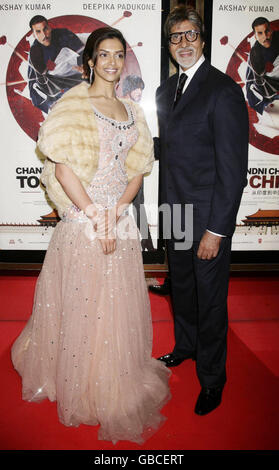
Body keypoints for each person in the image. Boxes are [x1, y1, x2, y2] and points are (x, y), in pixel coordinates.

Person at [12, 26, 170, 444]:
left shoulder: (133, 112)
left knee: (113, 306)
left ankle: (112, 378)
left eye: (119, 55)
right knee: (83, 306)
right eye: (104, 55)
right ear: (90, 61)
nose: (113, 62)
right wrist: (96, 218)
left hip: (117, 216)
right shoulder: (72, 104)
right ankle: (80, 382)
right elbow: (63, 168)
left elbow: (136, 171)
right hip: (83, 217)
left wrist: (116, 213)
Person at [155, 6, 249, 415]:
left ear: (203, 38)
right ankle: (186, 346)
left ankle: (213, 379)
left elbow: (233, 171)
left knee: (211, 299)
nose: (183, 43)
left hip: (207, 220)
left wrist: (217, 229)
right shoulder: (164, 91)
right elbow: (171, 150)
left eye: (190, 34)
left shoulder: (223, 90)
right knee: (183, 289)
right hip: (174, 213)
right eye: (175, 37)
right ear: (169, 44)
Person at [28, 15, 84, 113]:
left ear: (50, 27)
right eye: (38, 32)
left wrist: (84, 65)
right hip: (57, 88)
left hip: (78, 78)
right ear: (33, 35)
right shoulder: (35, 52)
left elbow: (83, 52)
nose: (44, 35)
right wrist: (49, 107)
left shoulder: (64, 35)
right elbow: (33, 84)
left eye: (45, 29)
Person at [246, 17, 279, 114]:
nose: (265, 36)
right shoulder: (255, 53)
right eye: (260, 33)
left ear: (271, 30)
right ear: (255, 36)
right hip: (269, 84)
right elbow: (259, 83)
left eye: (267, 31)